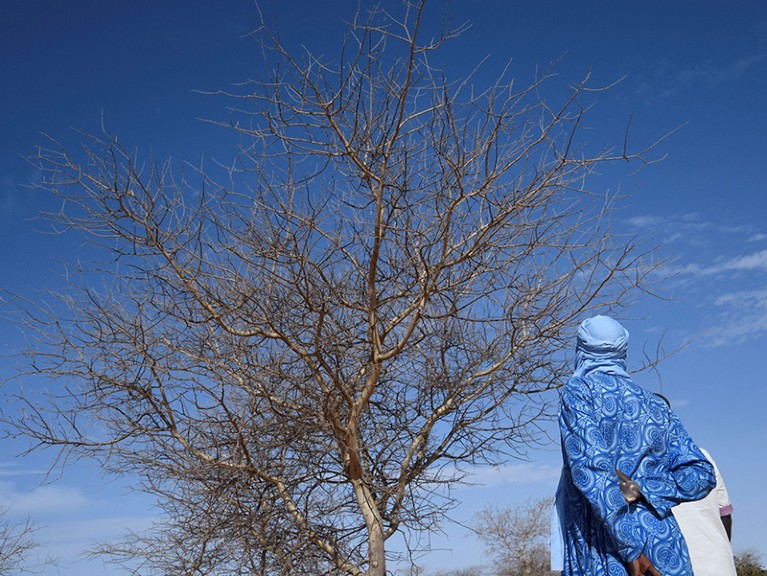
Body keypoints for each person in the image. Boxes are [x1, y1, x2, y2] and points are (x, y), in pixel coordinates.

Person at [554, 315, 716, 576]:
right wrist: (648, 490)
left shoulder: (579, 391)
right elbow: (701, 474)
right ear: (622, 351)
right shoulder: (655, 405)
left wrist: (630, 546)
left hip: (610, 546)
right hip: (664, 542)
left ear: (582, 348)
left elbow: (591, 472)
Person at [672, 447, 737, 576]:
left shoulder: (634, 461)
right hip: (718, 566)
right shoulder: (702, 454)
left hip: (673, 566)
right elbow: (724, 514)